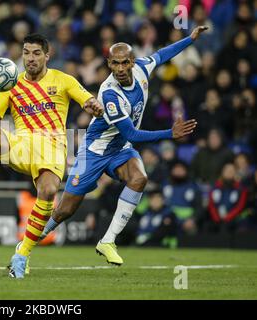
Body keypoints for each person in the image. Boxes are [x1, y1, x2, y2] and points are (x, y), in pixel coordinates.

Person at [39, 26, 207, 266]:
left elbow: (162, 54)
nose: (119, 69)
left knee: (139, 178)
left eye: (124, 63)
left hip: (119, 149)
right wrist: (170, 133)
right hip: (94, 151)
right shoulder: (109, 94)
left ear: (132, 62)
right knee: (65, 210)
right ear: (109, 63)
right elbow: (132, 133)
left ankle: (107, 241)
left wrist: (190, 39)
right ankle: (36, 236)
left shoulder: (142, 68)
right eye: (114, 63)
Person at [0, 33, 104, 278]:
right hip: (21, 143)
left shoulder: (63, 80)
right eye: (26, 52)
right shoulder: (10, 84)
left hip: (52, 146)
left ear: (47, 56)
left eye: (36, 53)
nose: (30, 58)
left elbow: (87, 99)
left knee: (49, 192)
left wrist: (93, 105)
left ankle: (22, 254)